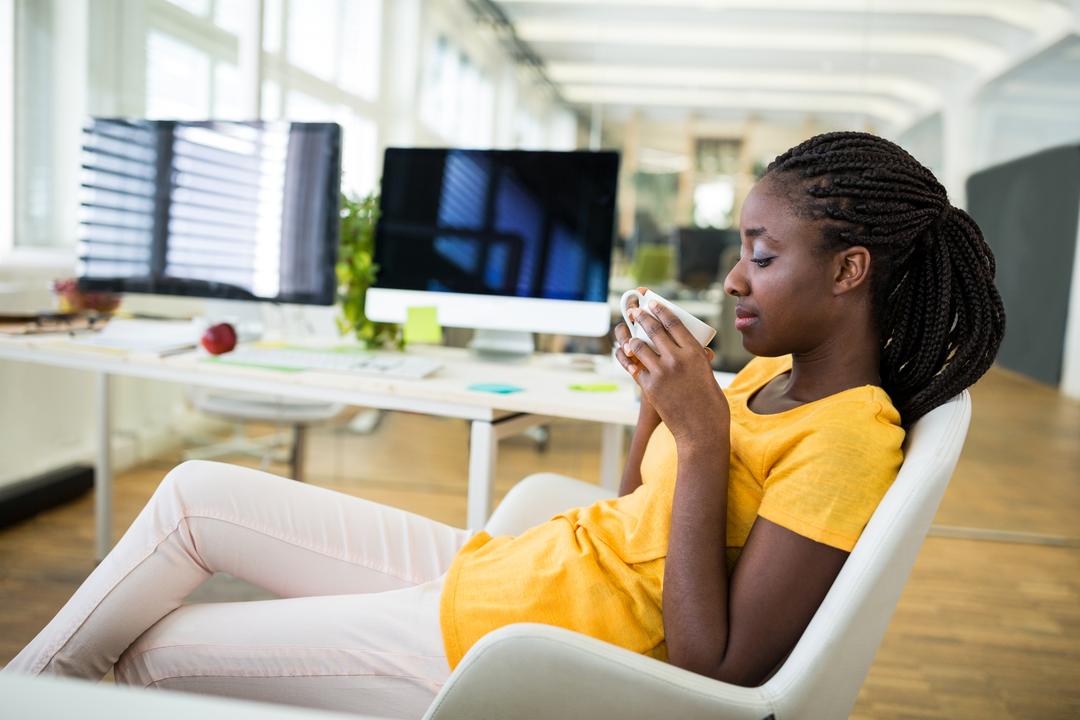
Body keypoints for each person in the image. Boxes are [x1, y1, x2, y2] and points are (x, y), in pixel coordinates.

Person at [2, 132, 1005, 718]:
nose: (735, 276)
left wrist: (700, 441)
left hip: (503, 639)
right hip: (506, 567)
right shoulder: (771, 381)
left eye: (762, 253)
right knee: (189, 496)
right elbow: (639, 520)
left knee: (149, 656)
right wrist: (656, 408)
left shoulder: (850, 439)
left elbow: (720, 670)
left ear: (849, 270)